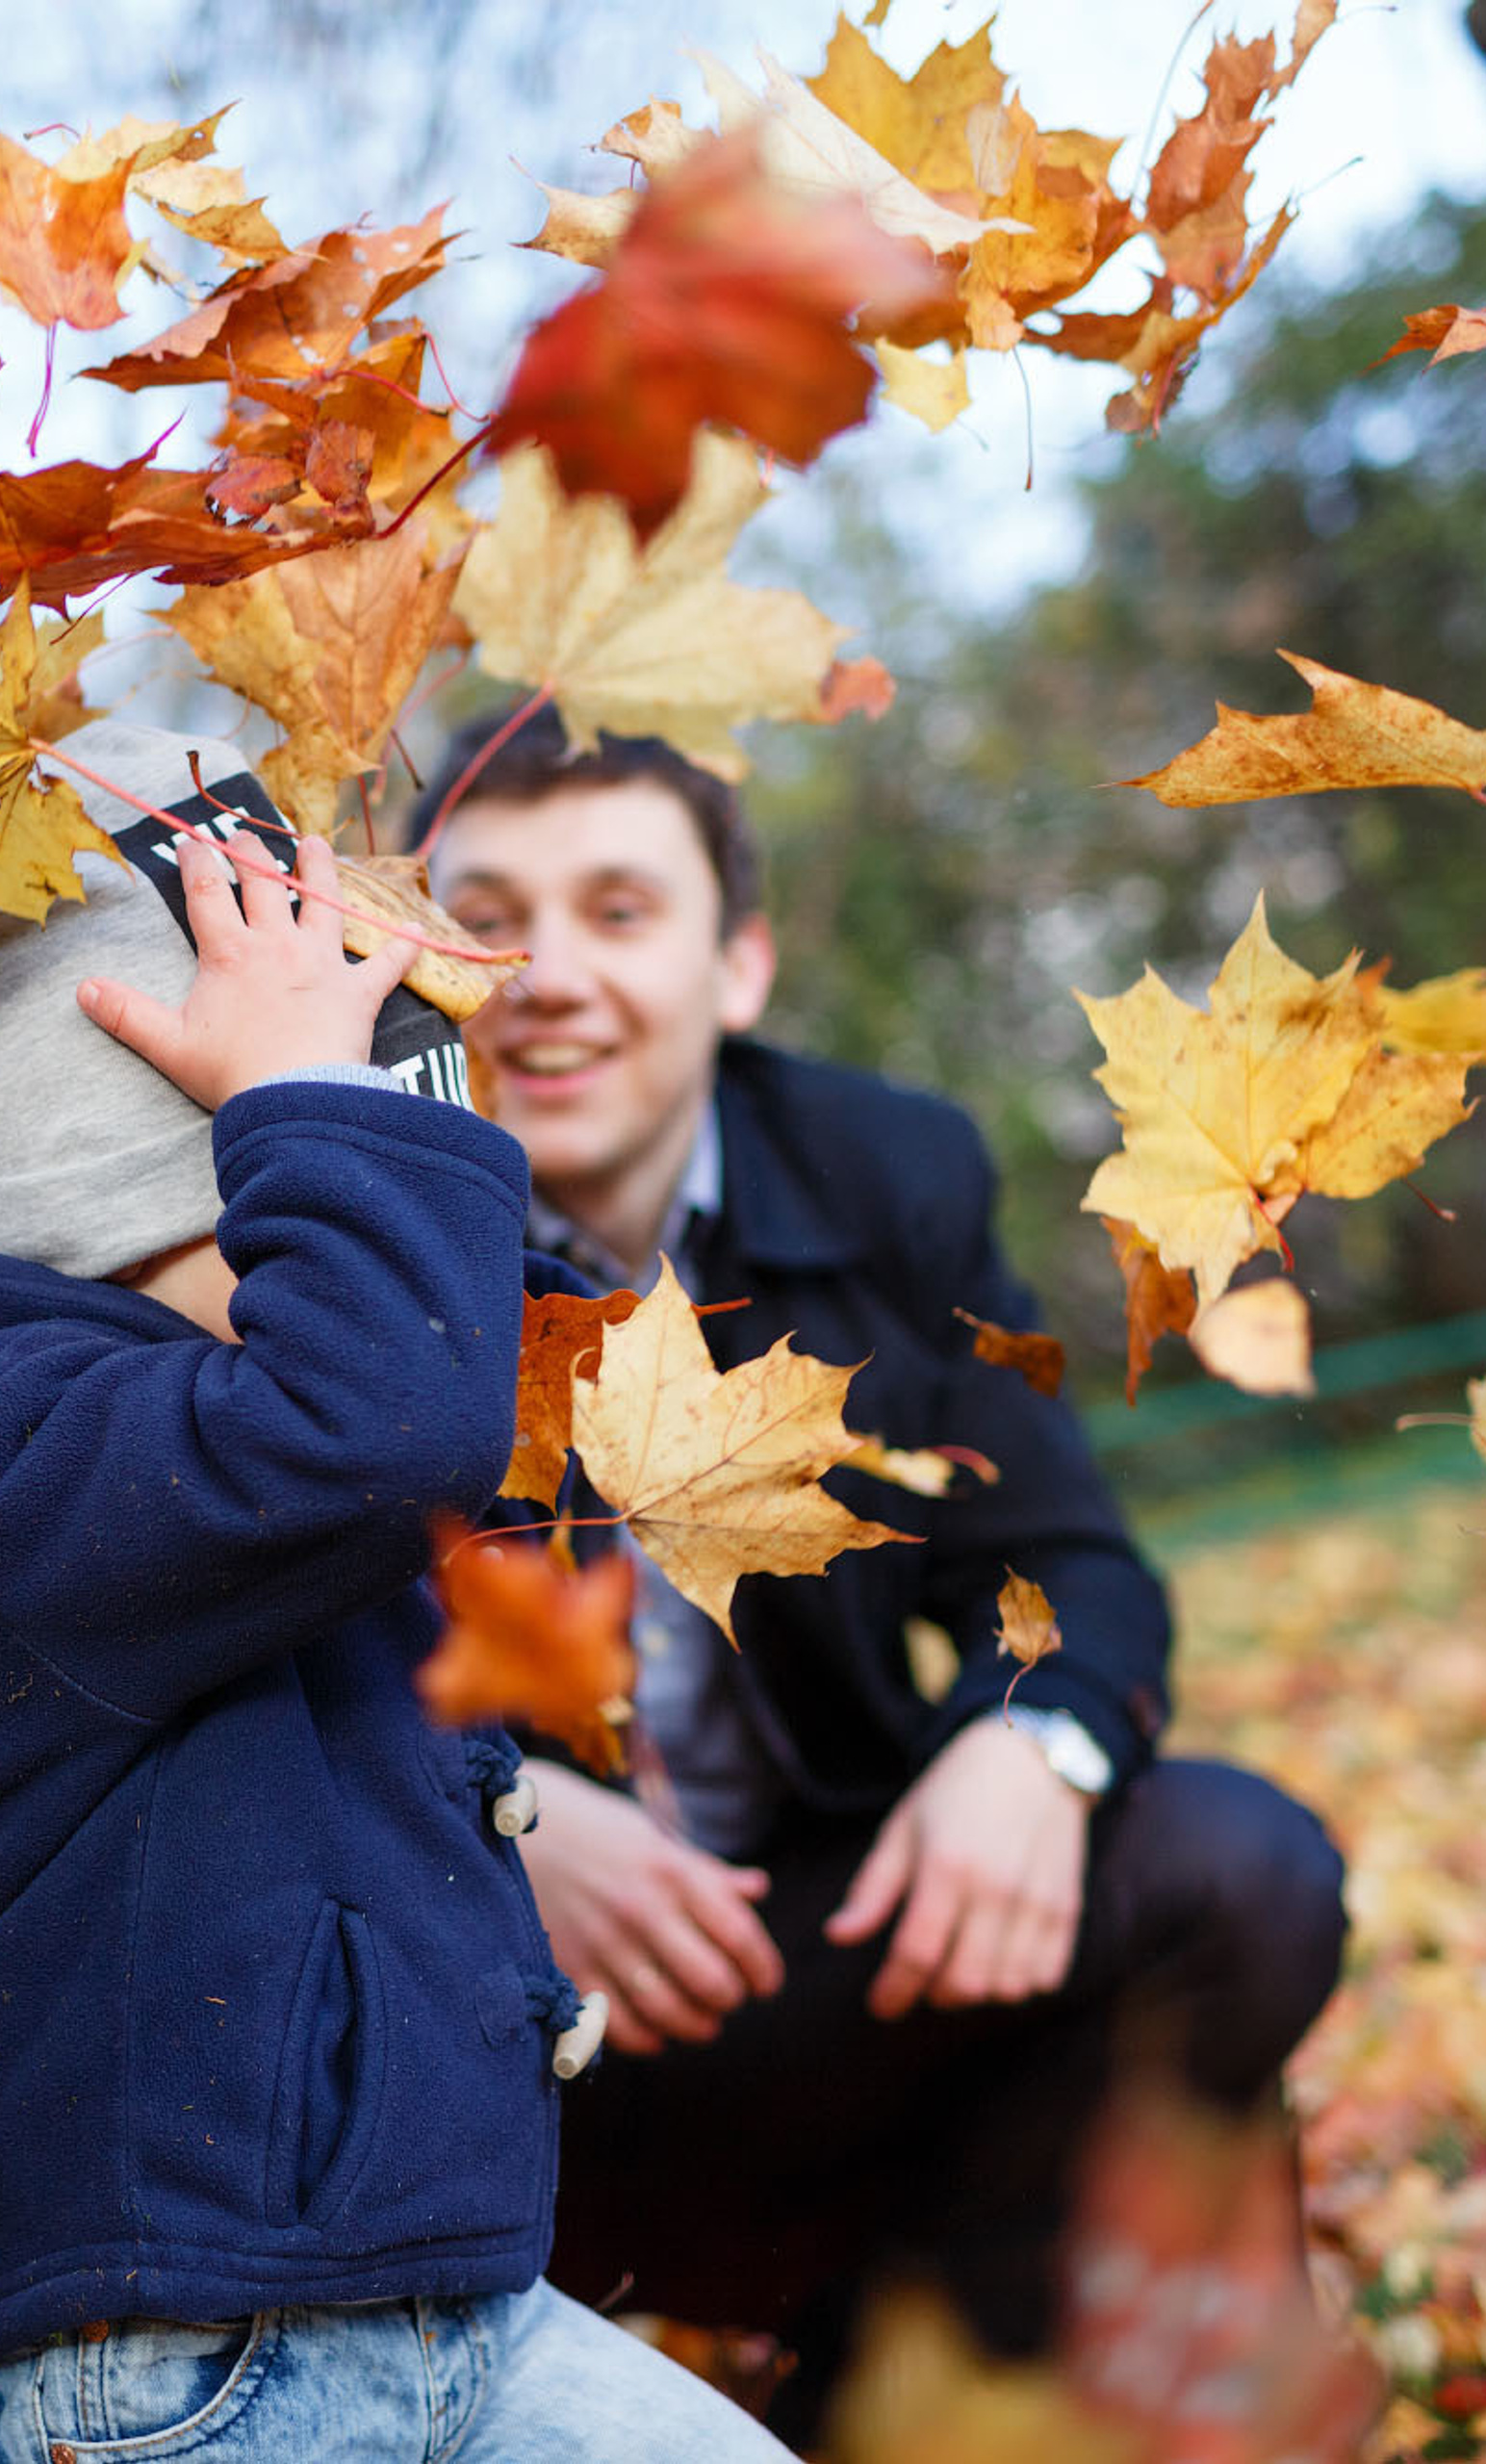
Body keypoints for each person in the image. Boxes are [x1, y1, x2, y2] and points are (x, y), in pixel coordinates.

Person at [0, 720, 798, 2463]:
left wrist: (371, 1088)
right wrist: (307, 1099)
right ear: (151, 1202)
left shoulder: (270, 1455)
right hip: (174, 2355)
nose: (413, 1309)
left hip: (432, 2298)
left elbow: (461, 1386)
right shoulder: (9, 1466)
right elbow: (388, 1414)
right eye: (295, 1206)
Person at [417, 702, 1350, 2443]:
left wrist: (1034, 1747)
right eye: (485, 916)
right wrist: (494, 1819)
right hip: (499, 2071)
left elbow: (1069, 1558)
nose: (543, 973)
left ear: (740, 966)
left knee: (1240, 1867)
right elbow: (208, 1680)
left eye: (620, 911)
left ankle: (924, 2357)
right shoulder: (318, 1234)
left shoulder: (882, 1169)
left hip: (835, 1964)